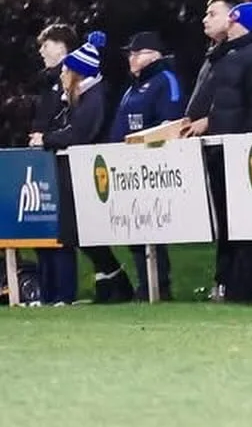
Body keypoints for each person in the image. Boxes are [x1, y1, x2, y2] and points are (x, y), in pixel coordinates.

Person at [183, 0, 252, 303]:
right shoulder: (231, 55)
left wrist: (240, 143)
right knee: (231, 221)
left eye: (231, 18)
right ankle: (238, 284)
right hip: (225, 149)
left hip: (243, 151)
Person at [33, 31, 135, 305]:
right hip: (76, 171)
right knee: (83, 237)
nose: (62, 75)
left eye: (67, 71)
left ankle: (117, 285)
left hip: (88, 173)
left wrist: (47, 139)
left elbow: (79, 133)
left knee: (86, 234)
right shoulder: (79, 98)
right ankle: (112, 286)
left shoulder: (94, 98)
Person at [109, 30, 186, 299]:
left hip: (150, 166)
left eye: (136, 52)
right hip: (127, 167)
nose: (131, 58)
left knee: (151, 228)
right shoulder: (134, 86)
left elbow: (171, 123)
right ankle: (145, 284)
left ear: (153, 54)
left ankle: (158, 286)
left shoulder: (165, 80)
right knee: (134, 228)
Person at [181, 0, 238, 299]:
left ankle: (231, 282)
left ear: (233, 17)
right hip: (209, 147)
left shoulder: (233, 56)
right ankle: (223, 280)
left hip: (226, 146)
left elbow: (230, 101)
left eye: (212, 13)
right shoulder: (214, 54)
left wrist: (209, 121)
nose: (205, 19)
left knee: (232, 219)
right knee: (221, 220)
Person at [30, 22, 77, 142]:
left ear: (61, 47)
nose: (41, 51)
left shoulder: (76, 77)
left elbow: (75, 126)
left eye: (45, 46)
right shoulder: (48, 80)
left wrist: (46, 139)